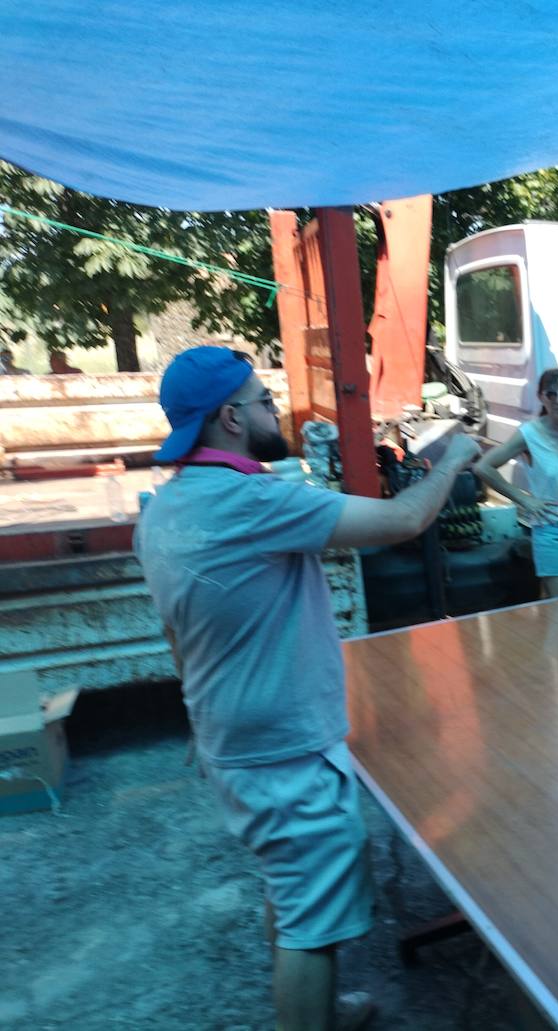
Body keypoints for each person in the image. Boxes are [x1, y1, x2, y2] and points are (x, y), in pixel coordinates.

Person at [134, 346, 481, 1029]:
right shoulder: (252, 499)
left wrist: (194, 710)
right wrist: (456, 460)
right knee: (309, 930)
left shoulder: (163, 511)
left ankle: (319, 1006)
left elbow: (179, 632)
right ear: (229, 419)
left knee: (290, 888)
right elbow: (401, 521)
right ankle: (308, 1009)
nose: (273, 409)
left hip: (231, 737)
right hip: (282, 750)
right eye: (262, 400)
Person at [474, 368, 558, 597]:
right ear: (541, 397)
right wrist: (525, 499)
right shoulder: (530, 434)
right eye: (551, 394)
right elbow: (483, 467)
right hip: (551, 528)